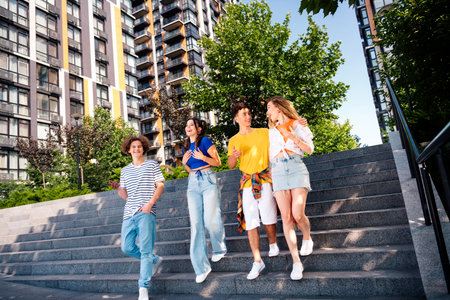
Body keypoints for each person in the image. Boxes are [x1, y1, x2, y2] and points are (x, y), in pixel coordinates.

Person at [227, 102, 280, 280]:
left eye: (248, 113)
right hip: (247, 182)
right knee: (251, 222)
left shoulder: (263, 133)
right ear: (236, 119)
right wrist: (234, 157)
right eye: (243, 114)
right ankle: (257, 261)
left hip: (265, 179)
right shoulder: (234, 140)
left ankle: (273, 243)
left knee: (269, 216)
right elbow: (231, 164)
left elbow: (279, 134)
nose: (248, 116)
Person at [109, 135, 164, 300]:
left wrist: (149, 204)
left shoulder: (152, 165)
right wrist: (119, 188)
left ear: (143, 148)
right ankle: (154, 260)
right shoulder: (125, 170)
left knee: (146, 250)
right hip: (129, 213)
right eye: (133, 147)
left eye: (139, 146)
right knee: (126, 247)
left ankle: (143, 288)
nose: (136, 149)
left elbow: (160, 186)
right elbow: (125, 195)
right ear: (128, 150)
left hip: (146, 212)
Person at [266, 96, 314, 281]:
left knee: (297, 214)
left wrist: (293, 137)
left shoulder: (298, 124)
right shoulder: (270, 132)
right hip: (278, 172)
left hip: (296, 167)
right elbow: (269, 157)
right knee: (285, 217)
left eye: (270, 108)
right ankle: (296, 262)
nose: (268, 112)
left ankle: (307, 237)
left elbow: (310, 149)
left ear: (278, 107)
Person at [182, 118, 227, 284]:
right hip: (193, 182)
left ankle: (219, 248)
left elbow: (218, 162)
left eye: (191, 125)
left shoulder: (206, 141)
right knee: (195, 225)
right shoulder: (186, 146)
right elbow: (189, 168)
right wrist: (184, 163)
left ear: (199, 129)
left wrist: (203, 157)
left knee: (210, 218)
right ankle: (201, 267)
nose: (188, 127)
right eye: (186, 126)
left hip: (208, 179)